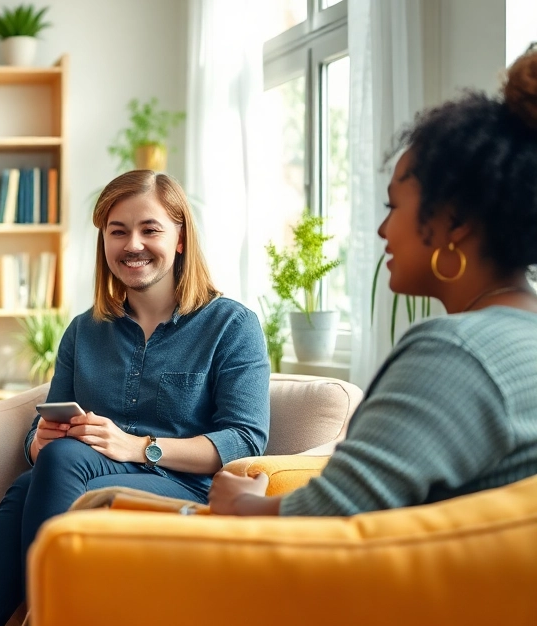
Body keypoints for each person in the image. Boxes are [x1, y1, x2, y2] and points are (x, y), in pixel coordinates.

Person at [210, 47, 537, 518]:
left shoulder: (456, 354)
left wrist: (241, 503)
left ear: (454, 221)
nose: (383, 230)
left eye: (393, 207)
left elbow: (331, 520)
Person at [0, 170, 270, 626]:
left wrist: (139, 446)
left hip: (188, 486)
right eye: (118, 231)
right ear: (104, 241)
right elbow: (48, 425)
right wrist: (39, 442)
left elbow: (245, 440)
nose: (133, 245)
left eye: (150, 230)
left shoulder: (231, 325)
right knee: (36, 474)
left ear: (180, 239)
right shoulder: (84, 331)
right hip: (87, 472)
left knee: (55, 467)